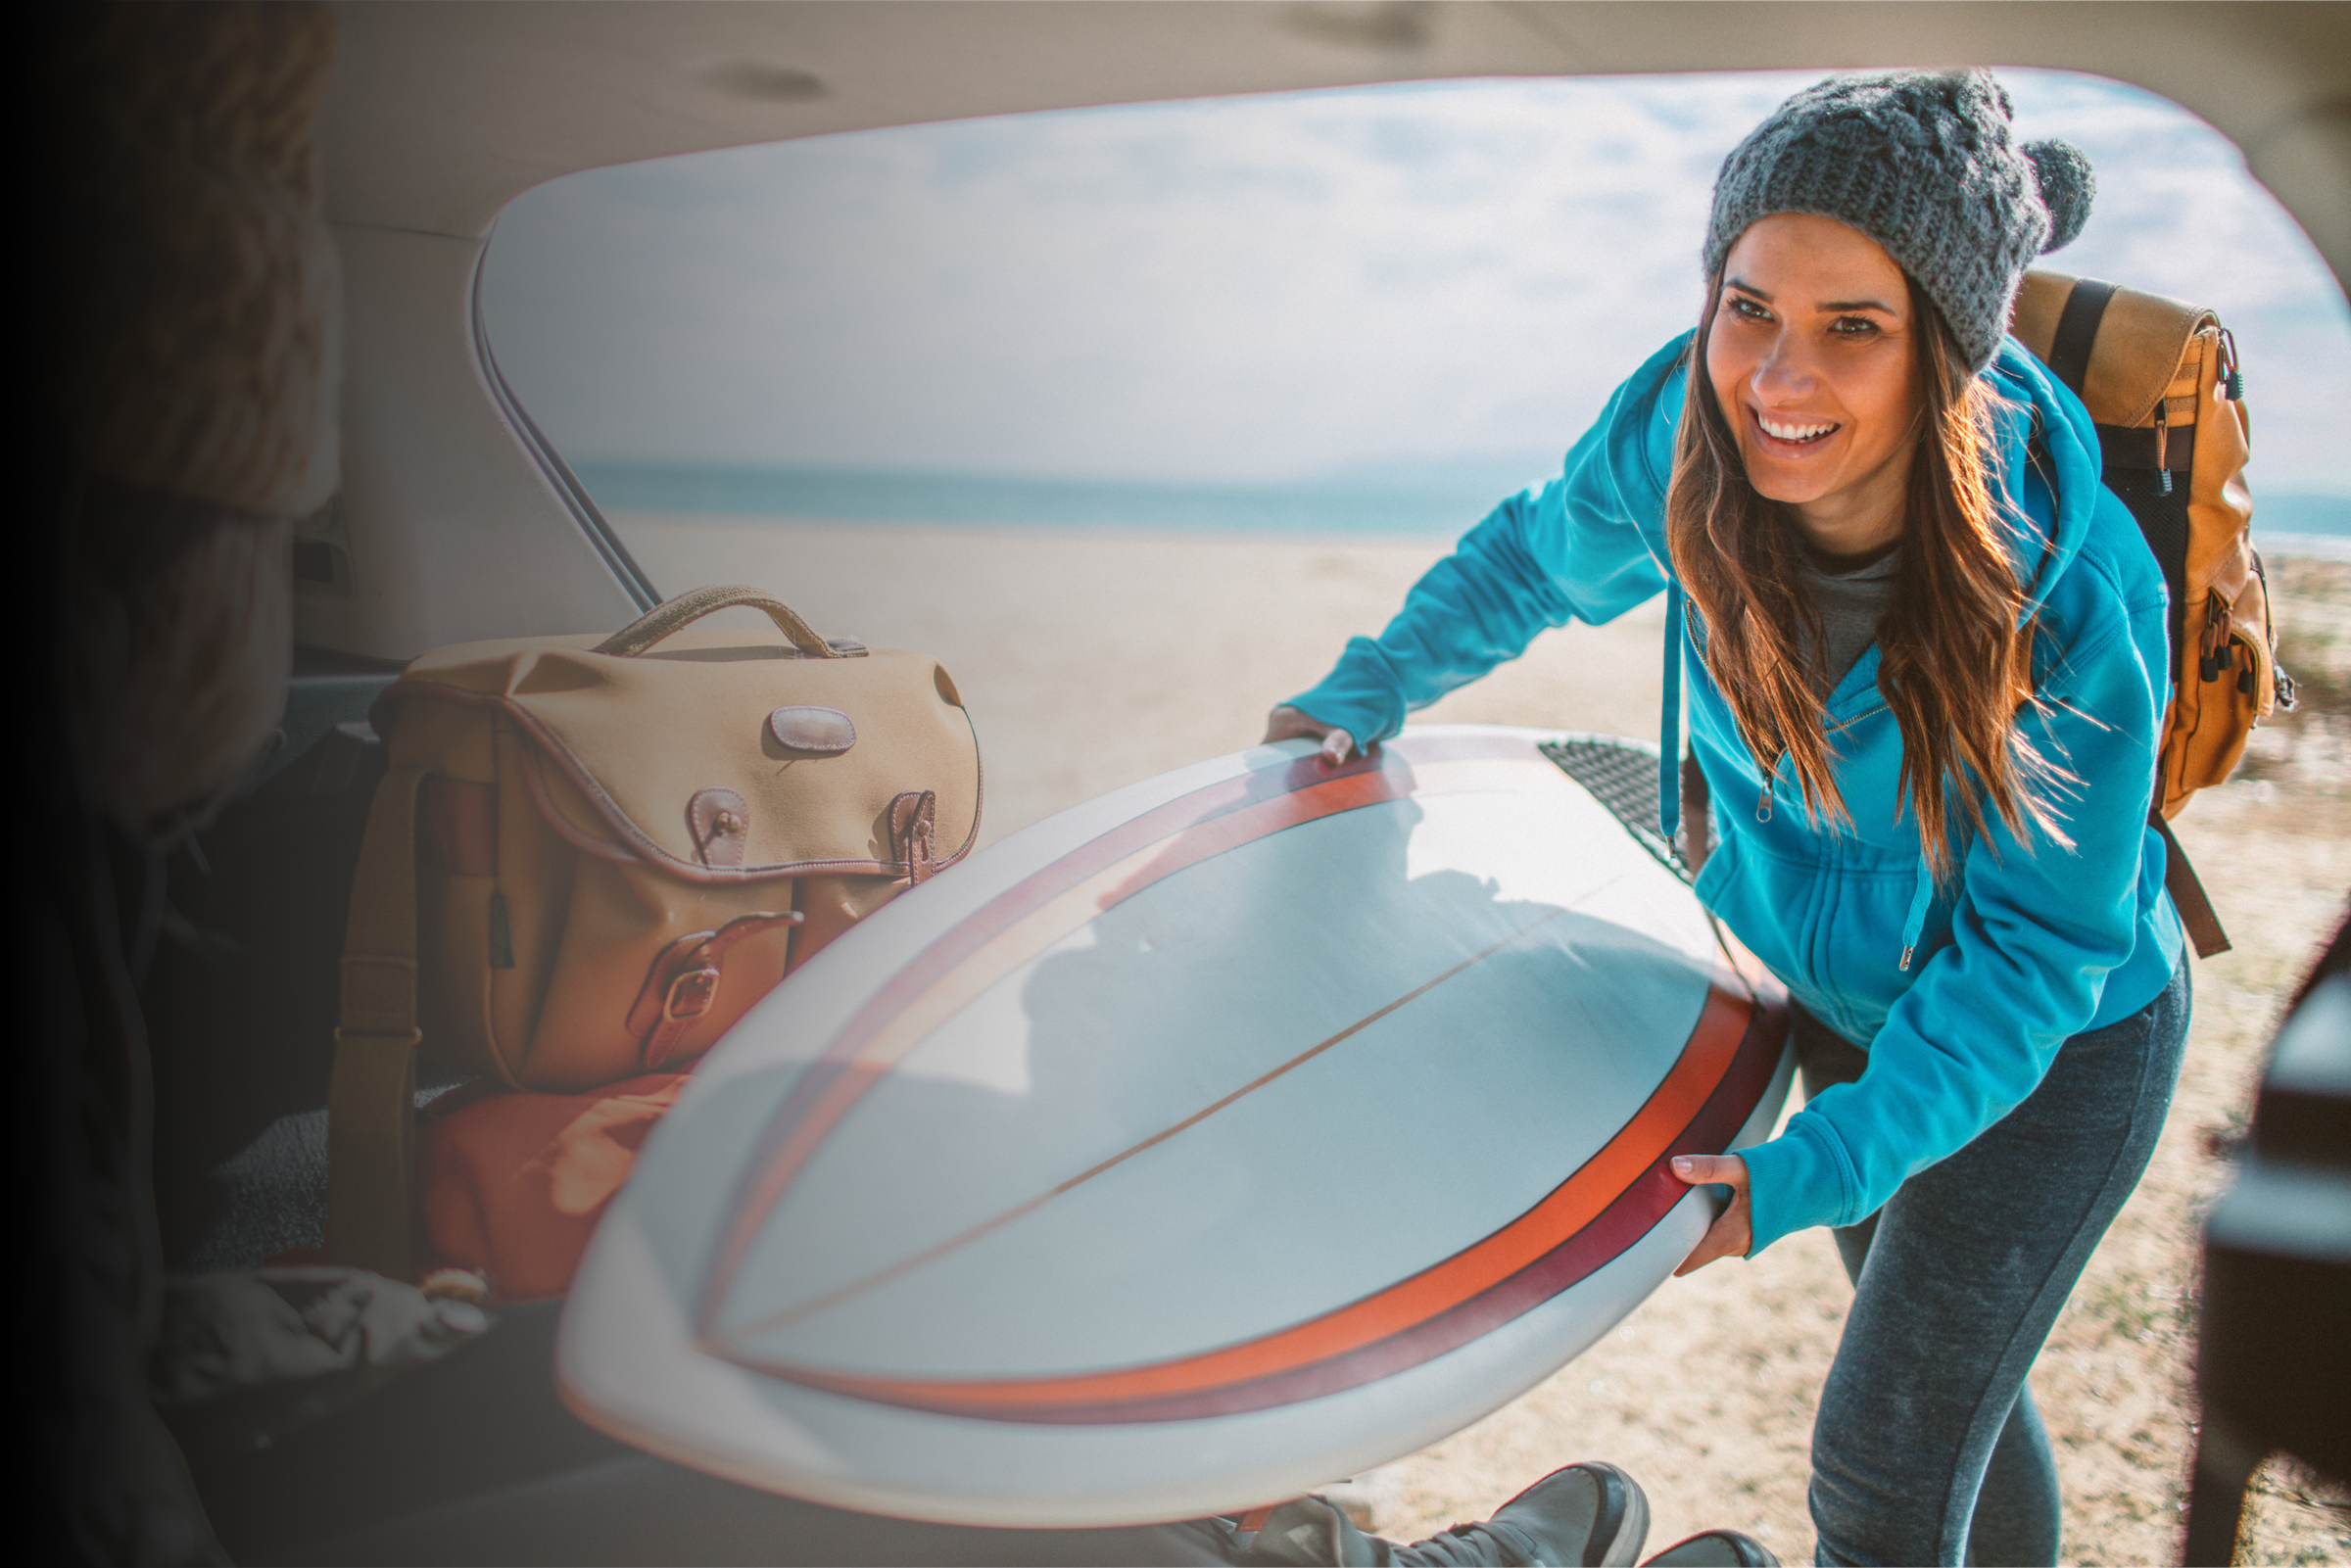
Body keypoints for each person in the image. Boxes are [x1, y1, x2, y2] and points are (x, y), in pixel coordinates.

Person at [1266, 71, 2188, 1568]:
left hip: (2061, 1045)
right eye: (1749, 306)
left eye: (1853, 327)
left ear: (1943, 349)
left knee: (1886, 1461)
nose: (1778, 379)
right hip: (1838, 1004)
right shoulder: (1679, 429)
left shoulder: (2068, 593)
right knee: (1950, 1403)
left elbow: (2030, 953)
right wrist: (1360, 689)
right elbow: (1530, 565)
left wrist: (1807, 1168)